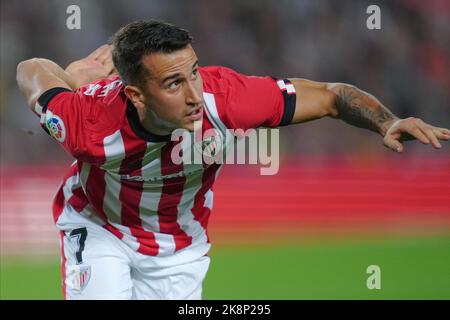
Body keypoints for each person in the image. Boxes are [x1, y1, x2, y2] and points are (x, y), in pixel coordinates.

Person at [16, 19, 449, 300]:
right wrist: (76, 77)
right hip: (101, 228)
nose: (192, 95)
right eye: (172, 84)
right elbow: (30, 69)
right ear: (134, 93)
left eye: (194, 73)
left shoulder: (227, 97)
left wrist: (385, 122)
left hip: (178, 248)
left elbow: (333, 96)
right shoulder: (88, 124)